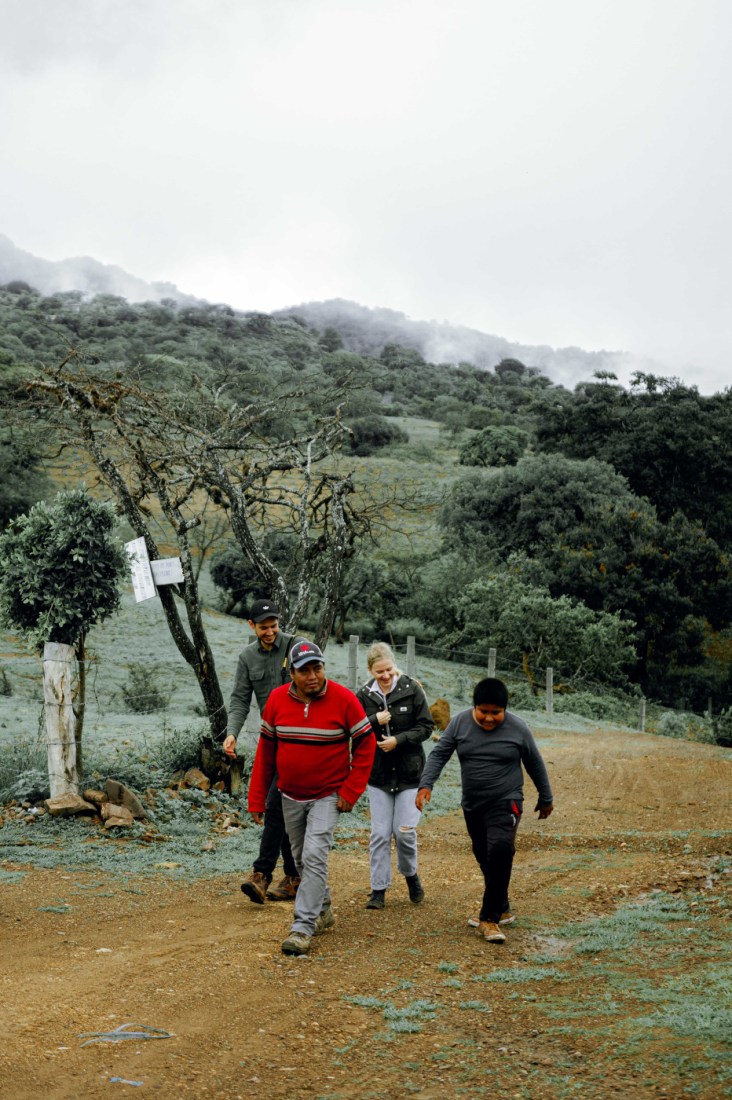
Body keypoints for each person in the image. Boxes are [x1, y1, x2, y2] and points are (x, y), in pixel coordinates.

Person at [247, 641, 376, 956]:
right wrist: (257, 798)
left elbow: (366, 744)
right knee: (304, 858)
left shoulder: (344, 699)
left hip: (328, 794)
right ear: (291, 673)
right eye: (304, 670)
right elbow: (266, 754)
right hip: (290, 795)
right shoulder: (277, 701)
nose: (313, 675)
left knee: (315, 855)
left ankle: (302, 928)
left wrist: (350, 791)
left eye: (317, 667)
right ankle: (324, 909)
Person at [416, 677, 554, 944]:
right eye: (484, 711)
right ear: (474, 707)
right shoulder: (459, 724)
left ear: (505, 710)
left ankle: (488, 919)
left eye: (496, 713)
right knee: (484, 855)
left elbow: (535, 763)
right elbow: (438, 754)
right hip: (473, 804)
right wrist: (426, 784)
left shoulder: (518, 729)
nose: (490, 718)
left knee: (501, 849)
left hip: (507, 800)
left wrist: (546, 797)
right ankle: (501, 904)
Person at [223, 599, 305, 904]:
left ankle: (262, 874)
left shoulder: (296, 648)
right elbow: (240, 700)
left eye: (274, 626)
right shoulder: (247, 658)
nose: (270, 632)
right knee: (281, 808)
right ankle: (294, 877)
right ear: (251, 626)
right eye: (263, 627)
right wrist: (232, 733)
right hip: (271, 742)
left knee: (274, 804)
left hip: (299, 742)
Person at [356, 642, 433, 909]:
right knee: (379, 834)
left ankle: (411, 875)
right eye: (379, 672)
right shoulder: (364, 695)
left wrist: (398, 740)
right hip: (378, 775)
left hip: (410, 774)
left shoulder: (413, 689)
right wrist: (374, 720)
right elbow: (353, 728)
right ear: (371, 671)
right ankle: (378, 890)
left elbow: (426, 727)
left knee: (404, 833)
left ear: (394, 664)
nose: (385, 676)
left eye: (388, 669)